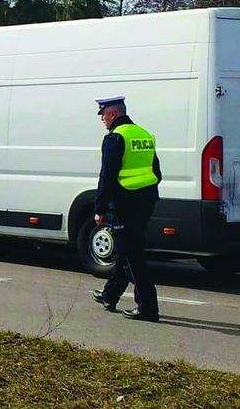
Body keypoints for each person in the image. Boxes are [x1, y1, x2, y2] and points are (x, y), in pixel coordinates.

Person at [91, 96, 162, 323]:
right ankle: (110, 295)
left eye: (103, 114)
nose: (102, 119)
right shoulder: (144, 134)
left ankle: (148, 307)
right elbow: (156, 172)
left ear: (113, 114)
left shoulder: (114, 138)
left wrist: (100, 207)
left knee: (132, 256)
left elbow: (107, 176)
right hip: (146, 199)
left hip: (125, 202)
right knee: (126, 248)